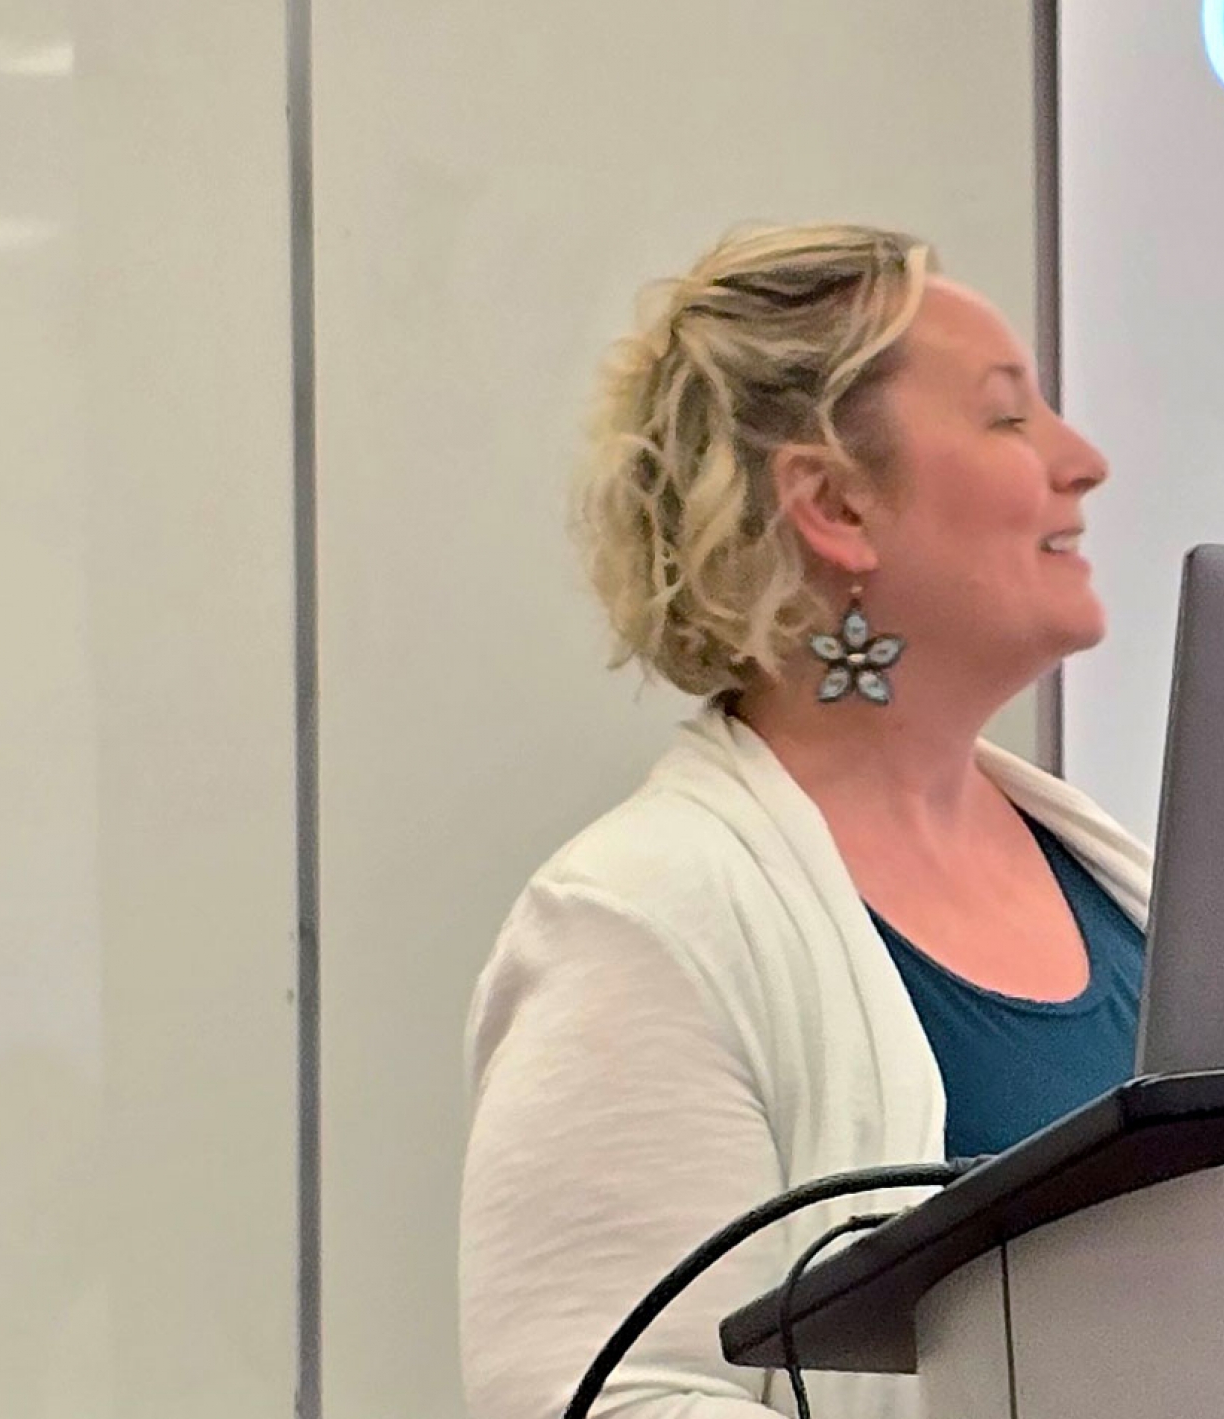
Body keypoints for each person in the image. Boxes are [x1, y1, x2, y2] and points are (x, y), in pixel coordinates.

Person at [458, 224, 1148, 1419]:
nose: (1081, 460)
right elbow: (618, 1403)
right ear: (834, 504)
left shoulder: (1125, 878)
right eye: (1007, 417)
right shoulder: (636, 919)